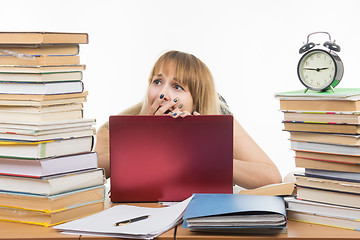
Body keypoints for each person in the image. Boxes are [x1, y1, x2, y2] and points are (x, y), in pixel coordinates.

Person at [95, 50, 282, 189]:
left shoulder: (222, 123)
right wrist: (142, 141)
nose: (163, 94)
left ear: (196, 100)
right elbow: (86, 175)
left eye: (177, 87)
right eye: (157, 81)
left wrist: (203, 154)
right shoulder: (113, 128)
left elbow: (272, 179)